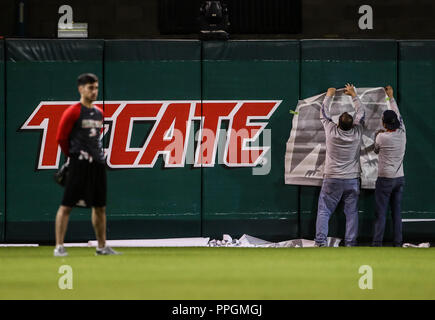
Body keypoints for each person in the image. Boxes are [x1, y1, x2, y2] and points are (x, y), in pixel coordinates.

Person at [53, 73, 120, 256]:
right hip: (78, 163)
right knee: (67, 205)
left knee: (100, 206)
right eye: (91, 88)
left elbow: (96, 139)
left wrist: (99, 158)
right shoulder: (73, 111)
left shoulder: (99, 113)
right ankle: (59, 246)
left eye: (96, 88)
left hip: (96, 164)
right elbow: (61, 138)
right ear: (80, 89)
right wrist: (72, 157)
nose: (94, 91)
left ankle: (101, 246)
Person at [315, 84, 365, 247]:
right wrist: (353, 95)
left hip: (332, 179)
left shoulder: (331, 130)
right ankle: (350, 243)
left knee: (324, 211)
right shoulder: (357, 132)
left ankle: (321, 243)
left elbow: (323, 113)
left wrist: (329, 95)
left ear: (337, 123)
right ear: (353, 124)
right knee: (351, 213)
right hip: (351, 179)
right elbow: (361, 113)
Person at [372, 85, 406, 247]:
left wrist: (378, 134)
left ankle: (377, 243)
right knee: (397, 213)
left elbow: (376, 149)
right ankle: (398, 242)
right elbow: (397, 115)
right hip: (399, 178)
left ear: (385, 124)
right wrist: (390, 97)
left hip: (385, 179)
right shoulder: (403, 131)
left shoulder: (381, 138)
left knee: (381, 213)